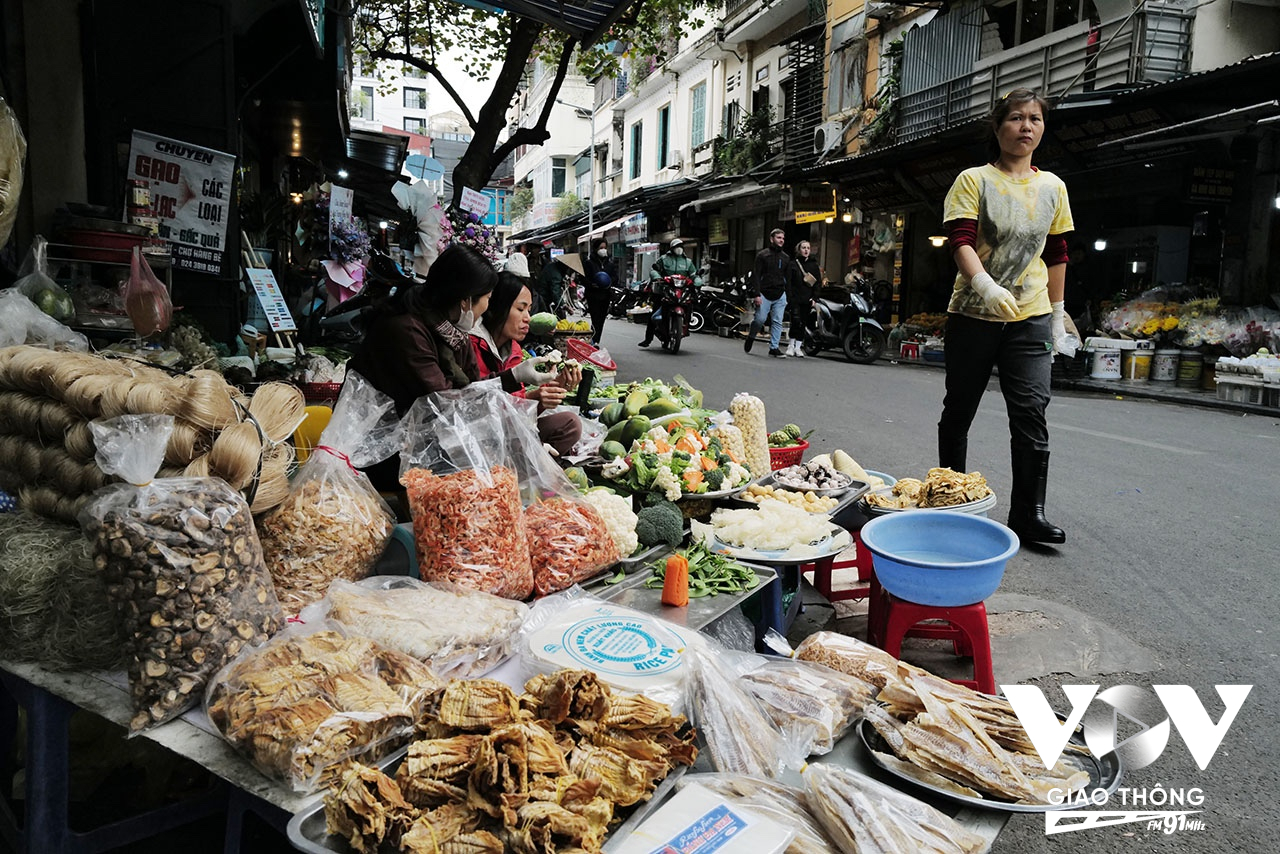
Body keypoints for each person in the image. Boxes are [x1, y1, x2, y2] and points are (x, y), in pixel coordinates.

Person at [937, 88, 1074, 545]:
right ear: (997, 128)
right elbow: (960, 240)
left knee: (1032, 411)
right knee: (960, 410)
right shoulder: (974, 180)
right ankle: (952, 500)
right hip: (975, 312)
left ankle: (1028, 513)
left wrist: (1056, 313)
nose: (1026, 126)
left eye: (1035, 119)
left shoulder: (1053, 187)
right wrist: (983, 284)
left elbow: (1056, 252)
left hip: (1030, 314)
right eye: (1016, 118)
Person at [346, 243, 497, 491]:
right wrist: (506, 383)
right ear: (465, 301)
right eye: (488, 299)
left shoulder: (448, 329)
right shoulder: (407, 330)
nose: (487, 308)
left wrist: (514, 379)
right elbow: (442, 400)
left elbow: (469, 384)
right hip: (381, 451)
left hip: (416, 440)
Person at [471, 272, 583, 458]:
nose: (528, 318)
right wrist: (534, 397)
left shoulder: (513, 349)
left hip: (509, 430)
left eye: (529, 310)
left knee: (570, 424)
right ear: (497, 306)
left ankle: (532, 462)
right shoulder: (474, 345)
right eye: (521, 309)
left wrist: (551, 390)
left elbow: (518, 410)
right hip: (481, 438)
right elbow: (475, 406)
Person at [638, 238, 700, 347]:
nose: (679, 249)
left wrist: (697, 280)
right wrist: (657, 277)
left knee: (690, 305)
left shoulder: (687, 262)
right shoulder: (664, 259)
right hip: (665, 290)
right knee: (654, 313)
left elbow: (693, 274)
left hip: (681, 290)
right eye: (677, 247)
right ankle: (648, 339)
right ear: (672, 248)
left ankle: (686, 326)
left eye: (681, 246)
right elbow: (654, 270)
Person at [745, 228, 790, 357]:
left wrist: (787, 295)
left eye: (782, 238)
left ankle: (774, 348)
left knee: (777, 321)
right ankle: (751, 336)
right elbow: (756, 276)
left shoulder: (786, 258)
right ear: (772, 239)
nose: (781, 240)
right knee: (760, 319)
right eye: (778, 238)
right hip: (764, 293)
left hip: (780, 294)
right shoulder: (762, 255)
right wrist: (757, 294)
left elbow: (788, 278)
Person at [786, 239, 821, 357]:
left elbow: (818, 283)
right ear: (799, 250)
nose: (806, 250)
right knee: (795, 321)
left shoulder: (814, 265)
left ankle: (798, 347)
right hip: (795, 297)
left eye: (808, 248)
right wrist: (789, 297)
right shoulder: (792, 264)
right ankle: (790, 345)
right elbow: (789, 282)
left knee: (803, 322)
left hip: (807, 298)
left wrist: (815, 298)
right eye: (803, 248)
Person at [582, 238, 615, 346]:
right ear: (596, 249)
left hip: (605, 295)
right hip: (593, 295)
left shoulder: (609, 264)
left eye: (605, 248)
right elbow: (583, 278)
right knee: (595, 319)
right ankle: (593, 340)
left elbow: (615, 277)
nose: (603, 250)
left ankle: (596, 340)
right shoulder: (589, 263)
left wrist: (609, 283)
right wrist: (591, 284)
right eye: (601, 248)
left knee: (601, 320)